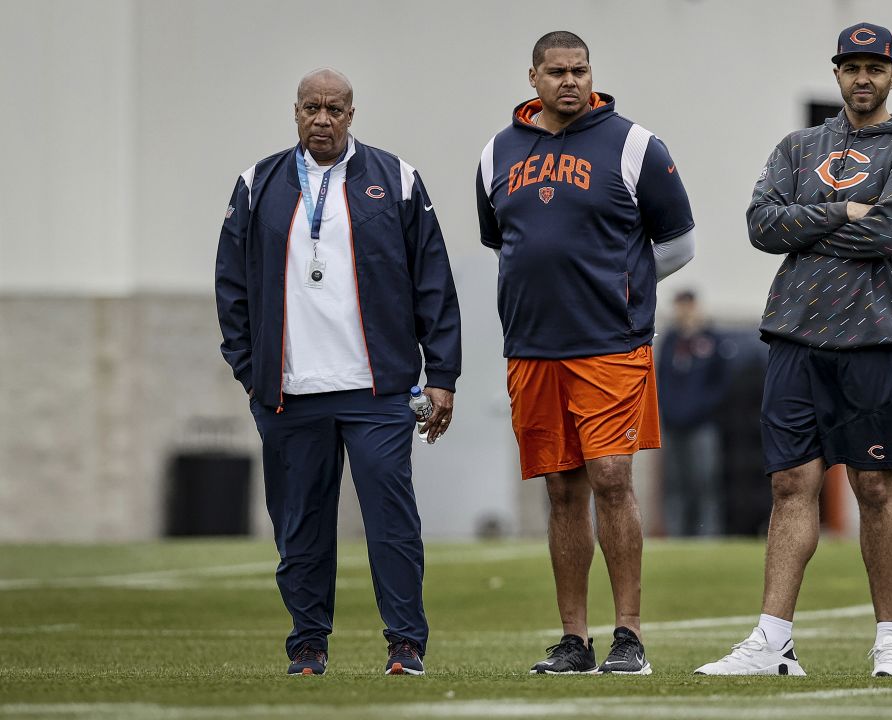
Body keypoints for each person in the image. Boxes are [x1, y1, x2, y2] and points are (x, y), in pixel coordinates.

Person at [695, 22, 892, 678]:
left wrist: (807, 224)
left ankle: (890, 639)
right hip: (796, 333)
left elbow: (890, 232)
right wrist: (840, 211)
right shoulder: (800, 146)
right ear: (836, 73)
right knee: (789, 484)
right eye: (851, 67)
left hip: (875, 336)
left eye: (875, 68)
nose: (863, 78)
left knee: (875, 488)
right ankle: (773, 643)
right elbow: (759, 225)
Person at [215, 68, 461, 677]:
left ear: (352, 115)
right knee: (299, 527)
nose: (321, 119)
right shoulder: (257, 183)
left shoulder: (396, 180)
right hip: (290, 392)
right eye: (310, 109)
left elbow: (433, 279)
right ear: (294, 112)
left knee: (390, 519)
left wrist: (442, 374)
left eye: (334, 109)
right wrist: (252, 369)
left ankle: (405, 645)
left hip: (376, 389)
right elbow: (231, 285)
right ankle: (308, 646)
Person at [476, 31, 695, 675]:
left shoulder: (633, 145)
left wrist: (620, 284)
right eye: (556, 72)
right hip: (533, 347)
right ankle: (574, 639)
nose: (569, 81)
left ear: (591, 73)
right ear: (533, 77)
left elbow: (679, 244)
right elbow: (505, 242)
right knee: (562, 491)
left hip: (610, 345)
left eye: (579, 70)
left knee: (610, 479)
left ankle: (629, 636)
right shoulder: (496, 152)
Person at [657, 290, 731, 537]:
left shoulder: (712, 341)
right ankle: (676, 536)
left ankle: (707, 535)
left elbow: (720, 385)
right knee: (675, 484)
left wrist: (700, 409)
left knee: (704, 482)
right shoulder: (669, 341)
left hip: (702, 426)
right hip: (672, 426)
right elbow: (661, 381)